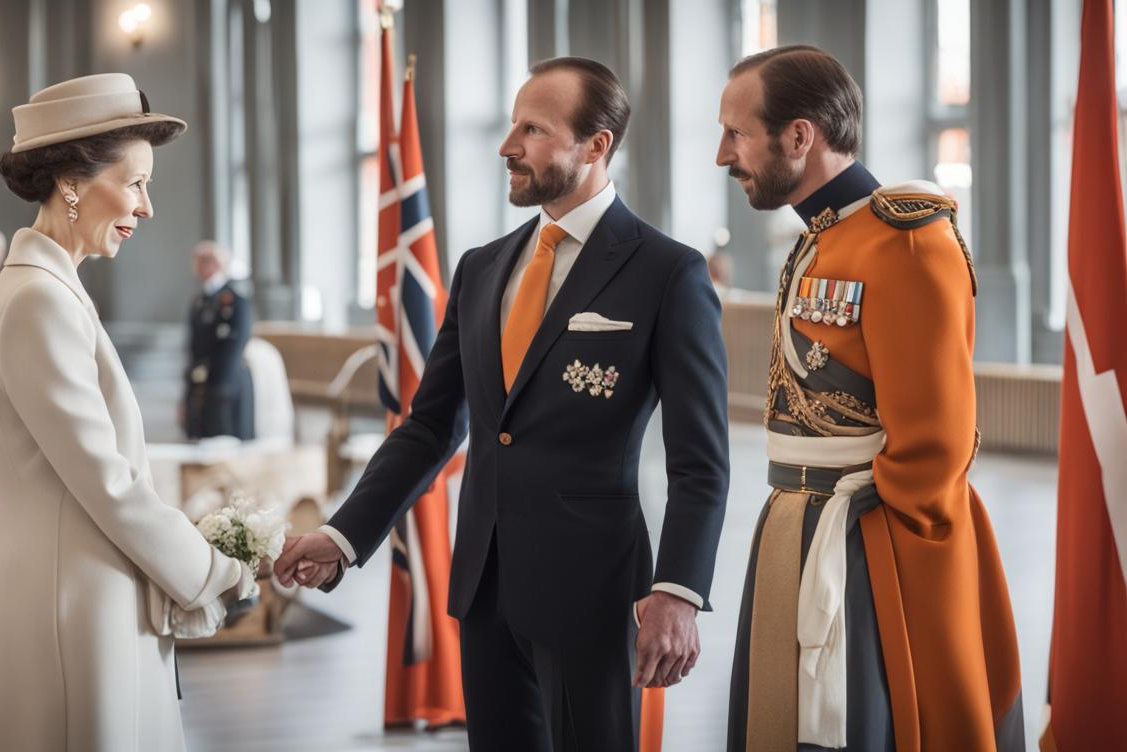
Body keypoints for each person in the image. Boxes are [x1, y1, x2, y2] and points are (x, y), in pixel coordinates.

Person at [275, 57, 730, 751]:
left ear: (596, 144)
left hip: (595, 595)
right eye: (511, 125)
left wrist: (678, 592)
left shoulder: (667, 272)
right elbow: (429, 426)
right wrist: (342, 537)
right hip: (484, 590)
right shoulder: (482, 267)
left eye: (533, 130)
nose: (507, 146)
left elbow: (701, 461)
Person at [715, 46, 1023, 751]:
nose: (722, 155)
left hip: (870, 540)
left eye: (737, 134)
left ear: (799, 137)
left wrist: (886, 564)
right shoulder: (824, 238)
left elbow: (935, 446)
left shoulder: (906, 243)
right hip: (796, 521)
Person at [0, 73, 257, 752]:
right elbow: (108, 484)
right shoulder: (40, 301)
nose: (147, 207)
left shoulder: (40, 291)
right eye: (135, 183)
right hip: (73, 613)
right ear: (71, 182)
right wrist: (216, 570)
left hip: (66, 595)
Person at [182, 240, 254, 440]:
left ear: (216, 264)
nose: (196, 267)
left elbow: (236, 342)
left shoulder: (234, 299)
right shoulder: (201, 299)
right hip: (203, 379)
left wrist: (221, 384)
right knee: (203, 435)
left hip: (224, 381)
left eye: (202, 261)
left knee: (225, 438)